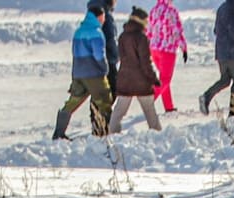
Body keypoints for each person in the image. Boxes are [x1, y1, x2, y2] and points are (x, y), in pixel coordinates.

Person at [53, 0, 115, 140]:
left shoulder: (79, 31)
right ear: (99, 16)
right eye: (103, 16)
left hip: (78, 73)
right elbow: (99, 55)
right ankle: (106, 132)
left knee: (73, 101)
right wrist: (104, 69)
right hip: (94, 74)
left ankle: (59, 132)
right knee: (105, 101)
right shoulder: (96, 32)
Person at [108, 7, 164, 133]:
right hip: (141, 82)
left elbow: (121, 57)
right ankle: (158, 135)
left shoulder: (122, 36)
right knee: (150, 112)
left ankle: (112, 134)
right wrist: (153, 78)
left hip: (125, 79)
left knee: (119, 111)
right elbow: (145, 62)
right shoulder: (141, 38)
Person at [198, 0, 234, 118]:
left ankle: (206, 97)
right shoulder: (233, 10)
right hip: (233, 53)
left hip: (221, 53)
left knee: (225, 79)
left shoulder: (221, 8)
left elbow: (216, 30)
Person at [146, 0, 189, 114]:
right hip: (167, 50)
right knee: (165, 79)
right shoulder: (171, 11)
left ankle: (169, 106)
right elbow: (176, 32)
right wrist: (183, 47)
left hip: (154, 49)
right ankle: (149, 100)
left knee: (163, 79)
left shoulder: (154, 10)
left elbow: (148, 31)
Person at [90, 0, 120, 136]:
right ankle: (102, 125)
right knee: (111, 90)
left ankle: (99, 124)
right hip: (106, 60)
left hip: (95, 60)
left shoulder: (93, 12)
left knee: (99, 92)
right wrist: (115, 56)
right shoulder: (105, 15)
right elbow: (110, 39)